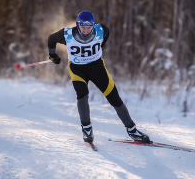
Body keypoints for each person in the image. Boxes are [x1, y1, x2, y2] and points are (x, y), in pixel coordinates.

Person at [48, 11, 150, 143]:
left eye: (88, 28)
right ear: (77, 25)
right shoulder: (67, 34)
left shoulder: (101, 30)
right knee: (82, 94)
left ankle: (133, 131)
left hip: (97, 68)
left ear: (93, 26)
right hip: (77, 69)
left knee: (114, 97)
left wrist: (99, 47)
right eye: (82, 27)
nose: (85, 31)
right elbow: (51, 38)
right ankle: (87, 130)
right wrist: (52, 55)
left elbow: (106, 35)